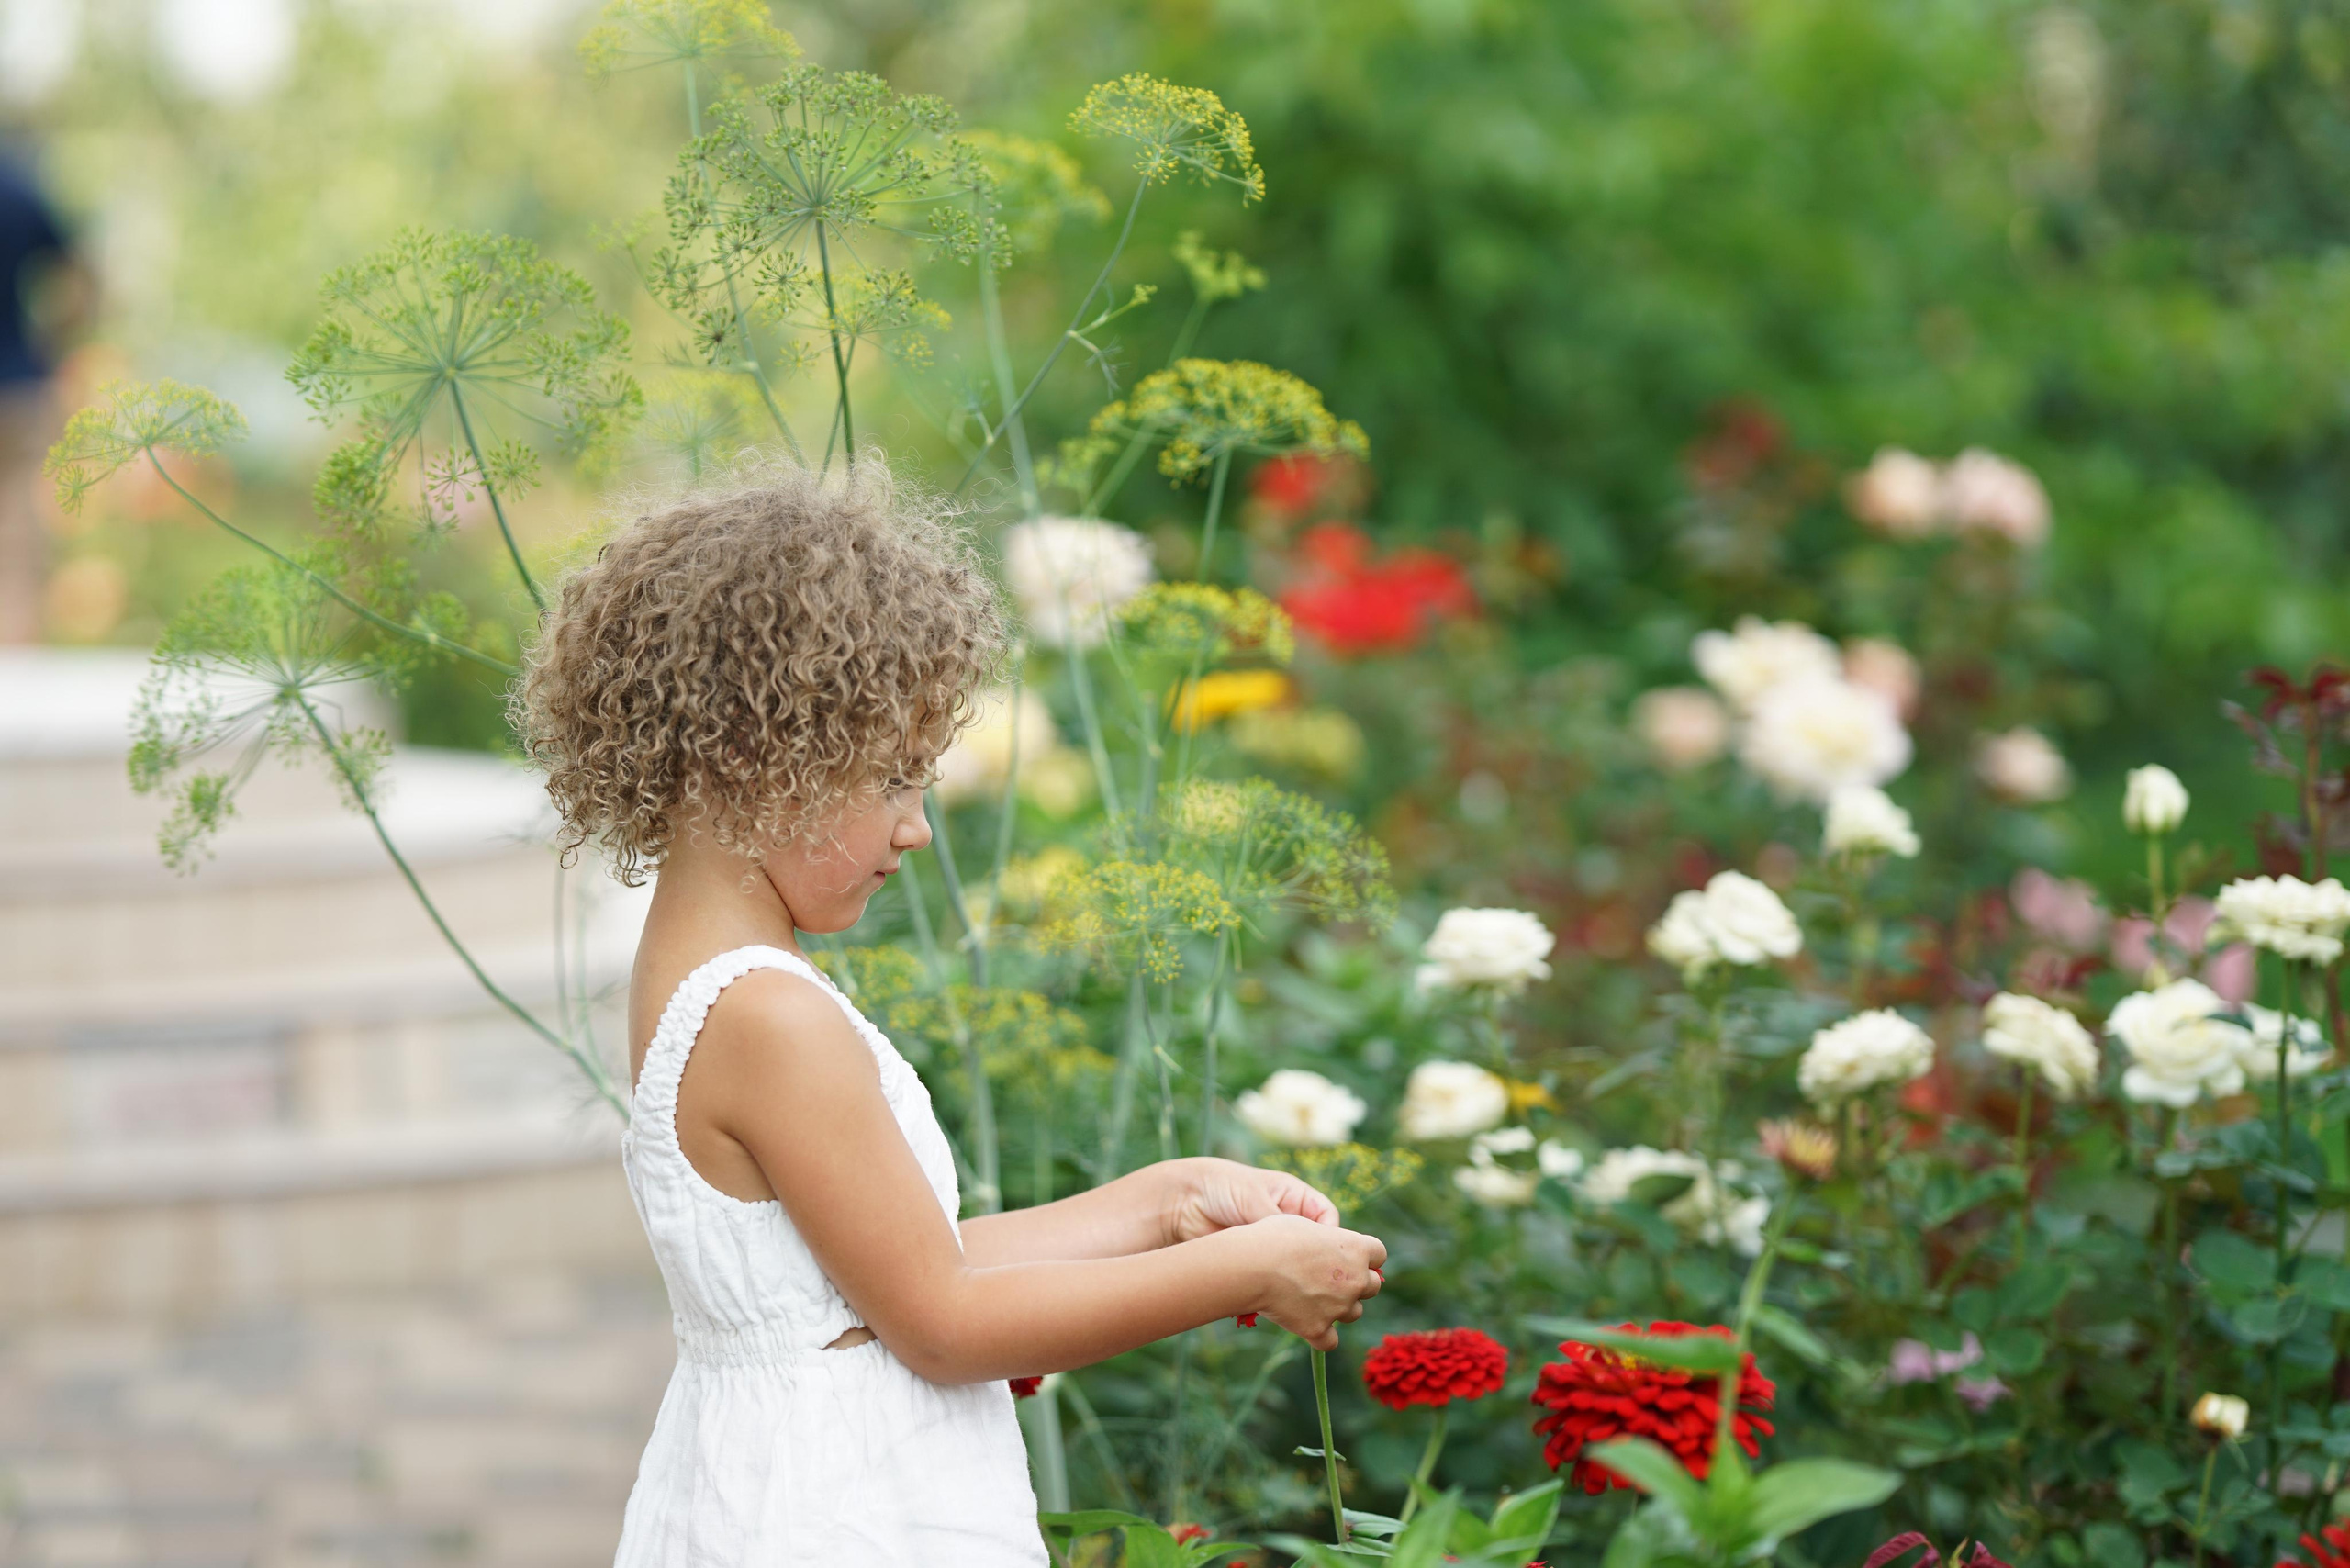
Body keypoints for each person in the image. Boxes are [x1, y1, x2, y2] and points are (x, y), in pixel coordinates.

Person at [514, 459, 1386, 1565]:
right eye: (892, 779)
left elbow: (878, 1273)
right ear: (758, 758)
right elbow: (940, 1324)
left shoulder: (696, 972)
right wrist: (1249, 1272)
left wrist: (1170, 1201)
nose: (918, 826)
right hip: (842, 1515)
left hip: (776, 1475)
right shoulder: (768, 1017)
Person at [0, 149, 86, 644]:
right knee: (16, 536)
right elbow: (80, 276)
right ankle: (13, 666)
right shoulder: (20, 188)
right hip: (17, 382)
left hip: (17, 383)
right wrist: (52, 341)